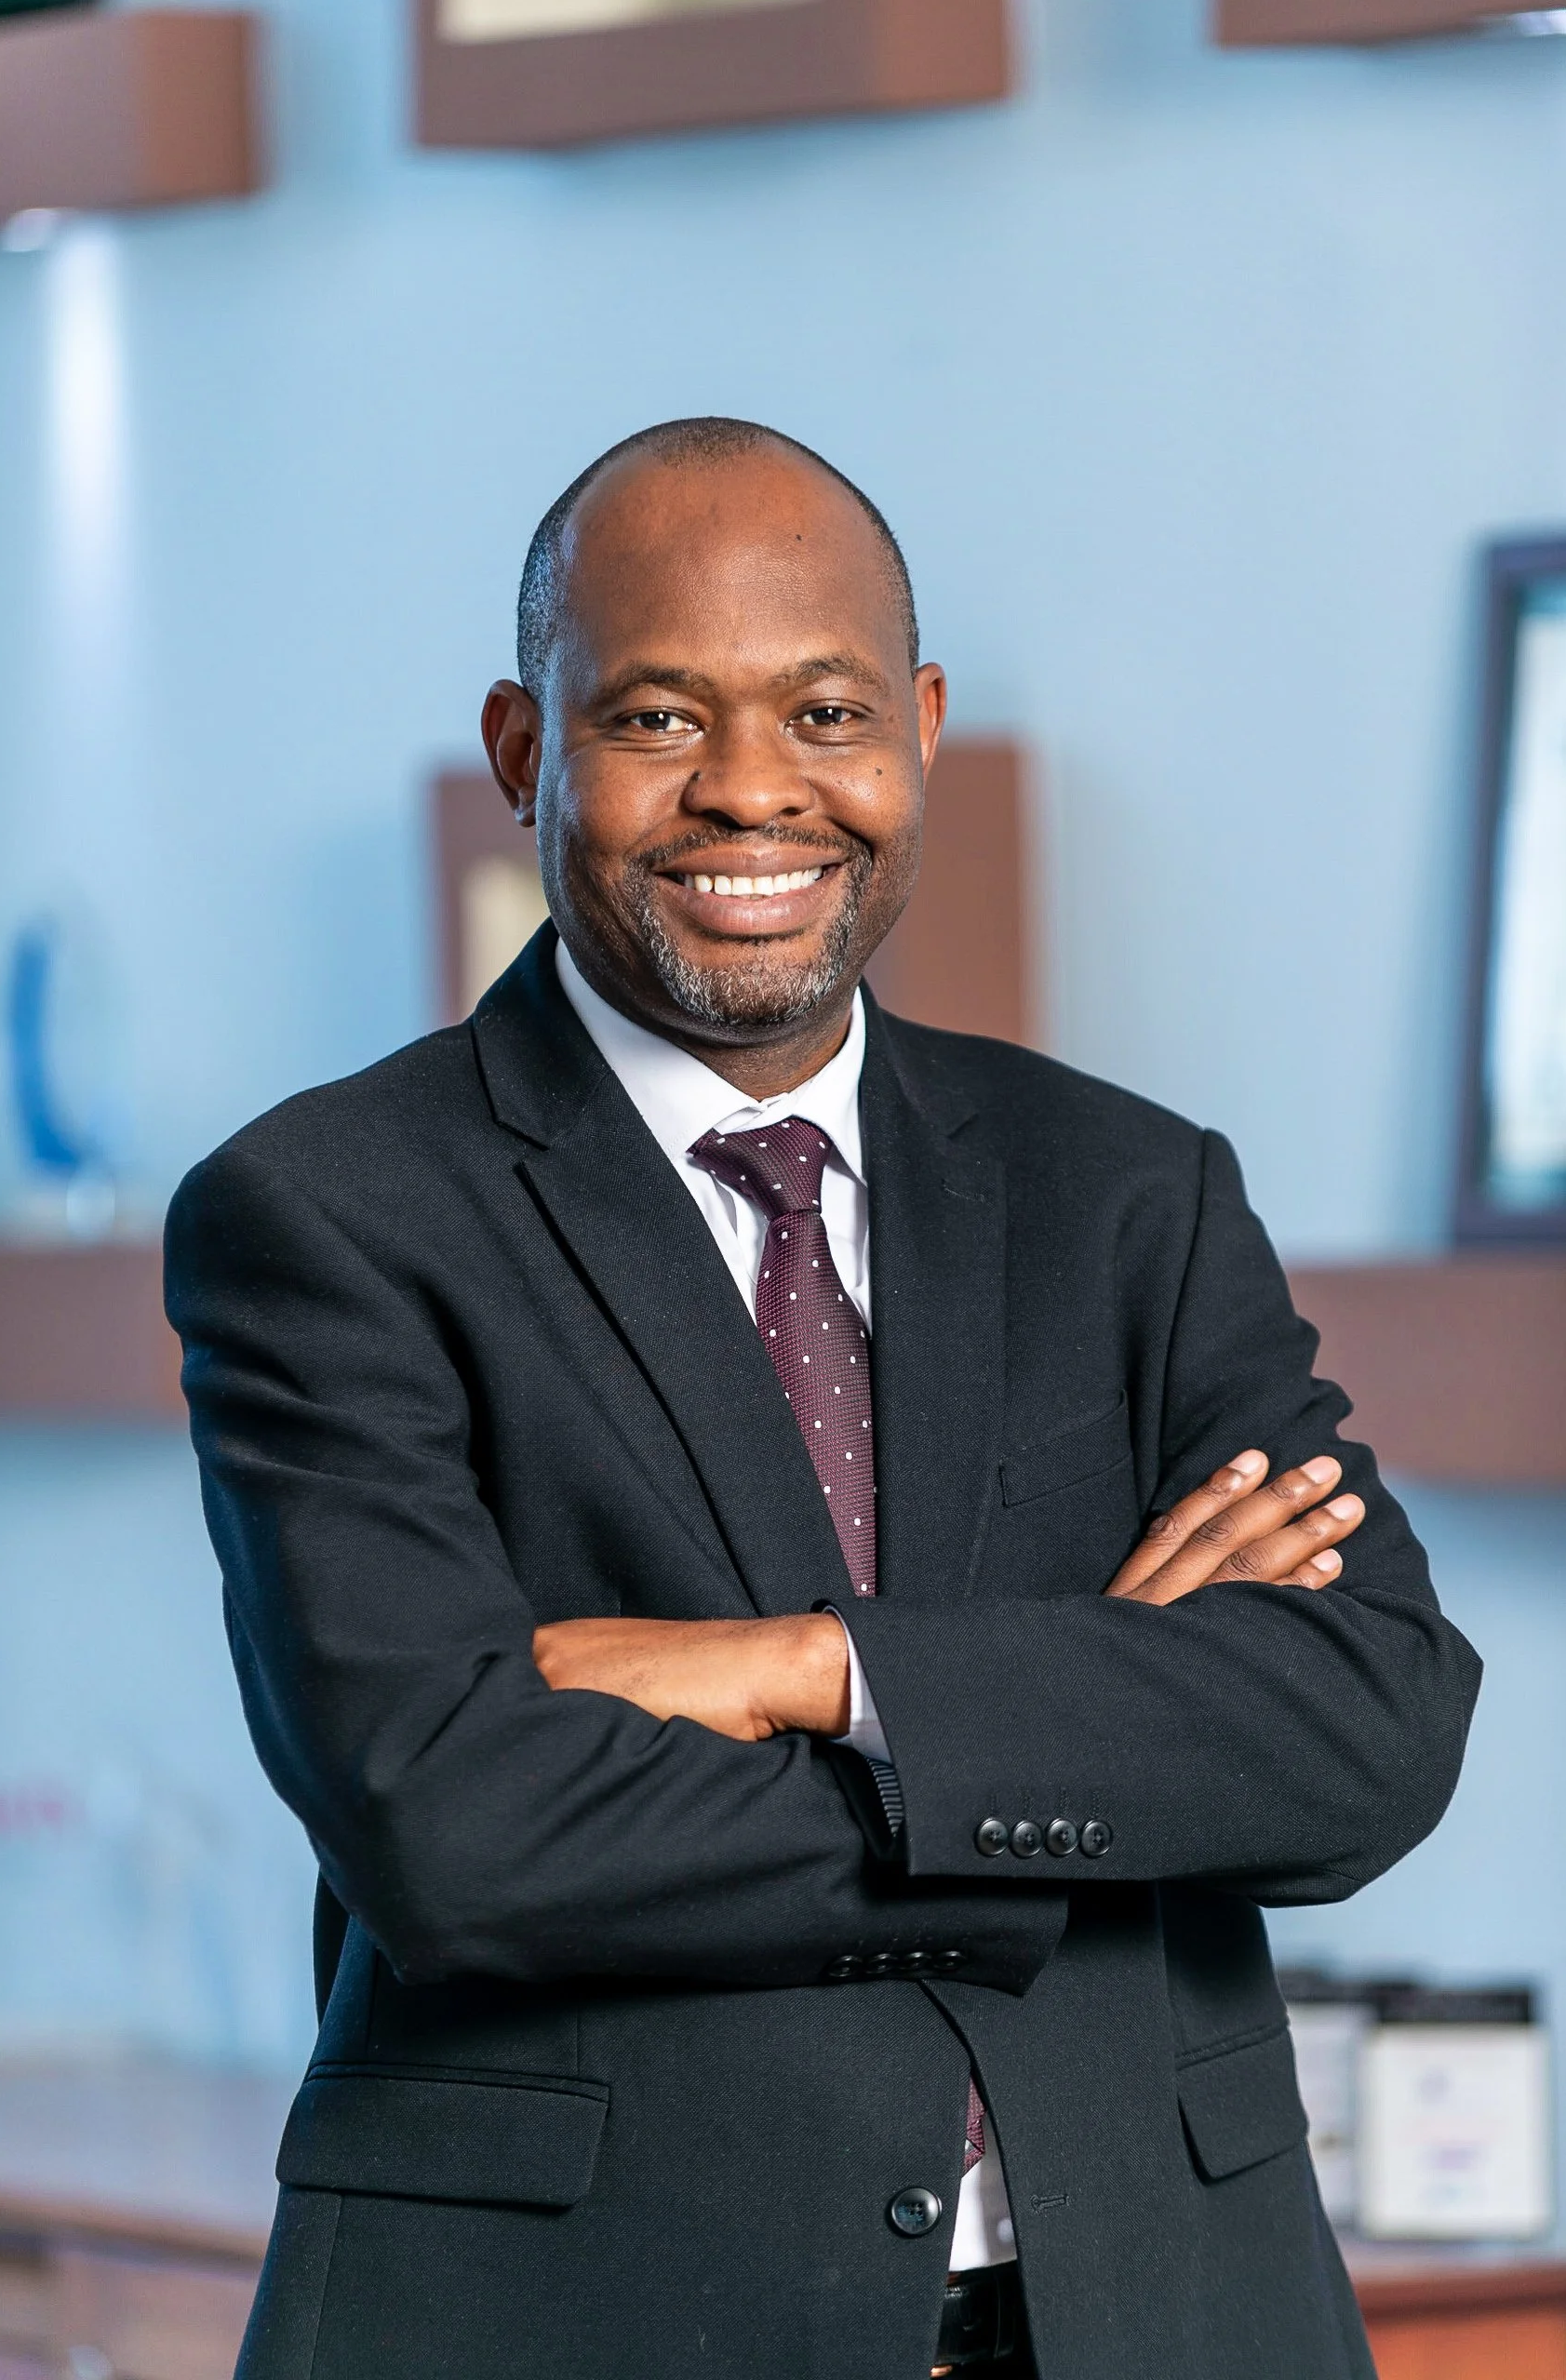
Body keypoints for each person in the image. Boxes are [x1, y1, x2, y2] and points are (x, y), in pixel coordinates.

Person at [166, 417, 1481, 2380]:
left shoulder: (1128, 1191)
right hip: (591, 2330)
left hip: (1164, 2314)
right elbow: (455, 1825)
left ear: (918, 730)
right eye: (656, 719)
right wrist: (1070, 1732)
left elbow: (1369, 1724)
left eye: (826, 712)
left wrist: (807, 1670)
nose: (754, 789)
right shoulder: (328, 1214)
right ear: (524, 751)